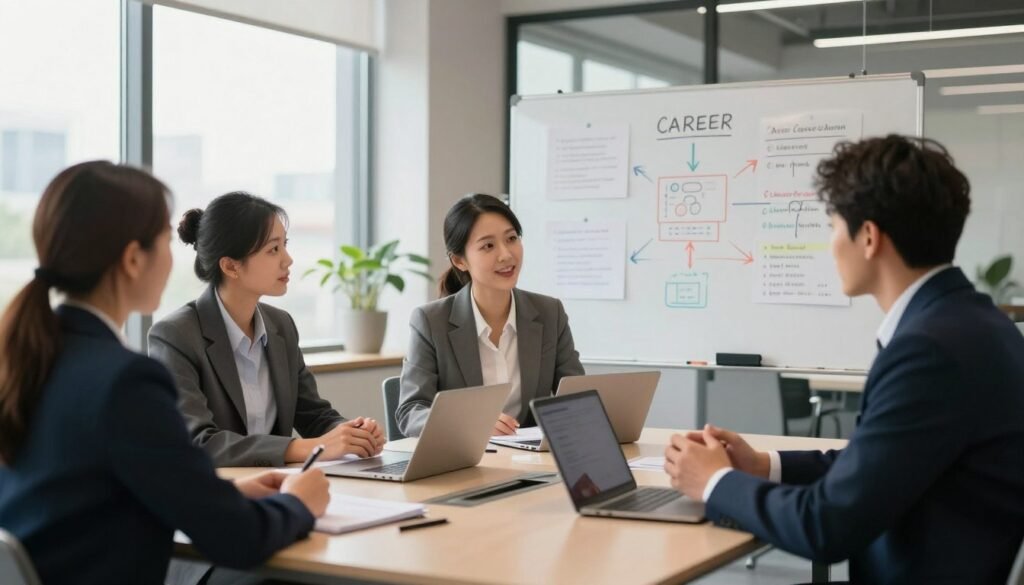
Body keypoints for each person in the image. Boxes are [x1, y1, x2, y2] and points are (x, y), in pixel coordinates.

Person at [664, 135, 1024, 584]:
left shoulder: (929, 350)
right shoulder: (976, 324)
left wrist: (715, 482)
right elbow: (876, 464)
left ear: (869, 237)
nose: (831, 244)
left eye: (833, 226)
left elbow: (827, 526)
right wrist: (762, 465)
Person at [0, 161, 330, 585]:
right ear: (134, 259)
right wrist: (299, 504)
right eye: (163, 241)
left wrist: (223, 495)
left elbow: (92, 497)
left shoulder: (33, 357)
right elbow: (237, 538)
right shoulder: (125, 381)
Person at [149, 192, 385, 467]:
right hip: (218, 492)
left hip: (277, 486)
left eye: (285, 245)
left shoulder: (281, 326)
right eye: (273, 249)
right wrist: (305, 448)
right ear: (231, 266)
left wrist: (353, 433)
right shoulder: (175, 335)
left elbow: (313, 415)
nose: (288, 259)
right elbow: (200, 441)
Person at [397, 193, 585, 437]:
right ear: (459, 260)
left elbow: (576, 397)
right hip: (465, 462)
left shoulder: (550, 313)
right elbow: (411, 412)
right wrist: (470, 422)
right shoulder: (430, 321)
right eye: (488, 246)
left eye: (512, 238)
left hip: (531, 463)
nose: (506, 254)